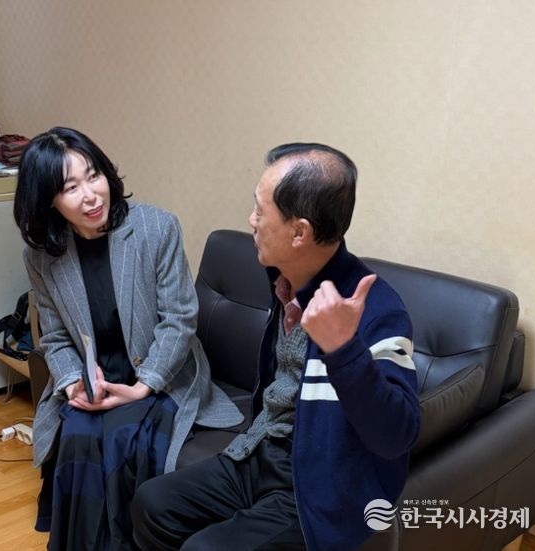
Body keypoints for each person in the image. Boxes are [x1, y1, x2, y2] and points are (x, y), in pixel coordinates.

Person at [131, 143, 421, 551]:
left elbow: (397, 435)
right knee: (153, 504)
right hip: (262, 450)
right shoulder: (284, 279)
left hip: (322, 485)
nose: (251, 221)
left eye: (259, 210)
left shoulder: (376, 310)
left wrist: (343, 350)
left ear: (299, 232)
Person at [13, 127, 243, 551]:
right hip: (97, 377)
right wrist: (72, 382)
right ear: (48, 200)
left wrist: (142, 386)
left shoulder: (156, 228)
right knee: (78, 433)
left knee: (121, 436)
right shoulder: (42, 255)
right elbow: (56, 336)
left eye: (94, 175)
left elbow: (179, 319)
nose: (90, 195)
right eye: (70, 188)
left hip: (160, 372)